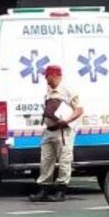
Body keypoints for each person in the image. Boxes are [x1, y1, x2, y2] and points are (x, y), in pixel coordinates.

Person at [29, 65, 84, 203]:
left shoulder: (68, 90)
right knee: (46, 160)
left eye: (46, 76)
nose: (45, 79)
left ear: (53, 75)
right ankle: (44, 189)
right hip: (49, 131)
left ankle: (61, 190)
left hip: (63, 131)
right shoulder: (50, 90)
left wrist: (66, 120)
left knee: (64, 160)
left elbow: (79, 109)